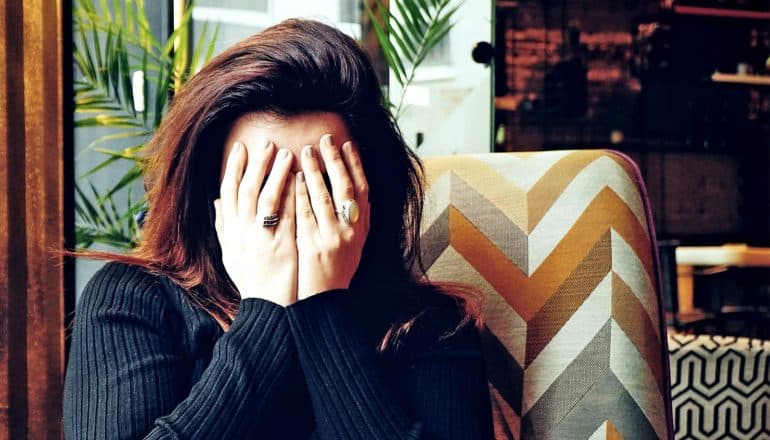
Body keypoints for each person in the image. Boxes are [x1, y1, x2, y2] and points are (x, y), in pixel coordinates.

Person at [63, 18, 494, 439]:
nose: (292, 208)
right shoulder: (131, 299)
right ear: (211, 190)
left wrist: (321, 306)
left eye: (319, 181)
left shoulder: (432, 327)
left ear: (366, 190)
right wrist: (266, 306)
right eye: (261, 183)